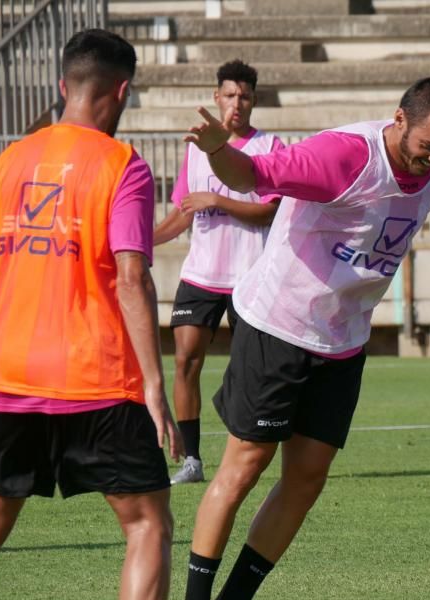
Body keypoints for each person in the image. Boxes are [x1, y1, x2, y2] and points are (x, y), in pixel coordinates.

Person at [171, 76, 430, 600]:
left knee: (308, 476)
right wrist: (218, 150)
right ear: (398, 119)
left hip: (342, 340)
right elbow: (254, 177)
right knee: (244, 466)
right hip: (278, 326)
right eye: (426, 145)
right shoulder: (342, 155)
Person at [0, 30, 193, 600]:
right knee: (148, 523)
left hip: (6, 374)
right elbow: (132, 275)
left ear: (64, 86)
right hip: (99, 379)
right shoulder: (122, 165)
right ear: (122, 91)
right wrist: (155, 384)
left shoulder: (8, 161)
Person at [153, 59, 283, 486]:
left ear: (254, 101)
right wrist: (141, 242)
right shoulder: (195, 148)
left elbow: (269, 211)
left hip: (249, 278)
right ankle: (191, 461)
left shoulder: (269, 148)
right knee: (186, 359)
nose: (237, 103)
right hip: (200, 275)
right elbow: (183, 213)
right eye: (230, 95)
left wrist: (219, 200)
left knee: (246, 373)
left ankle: (240, 454)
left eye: (245, 96)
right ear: (217, 98)